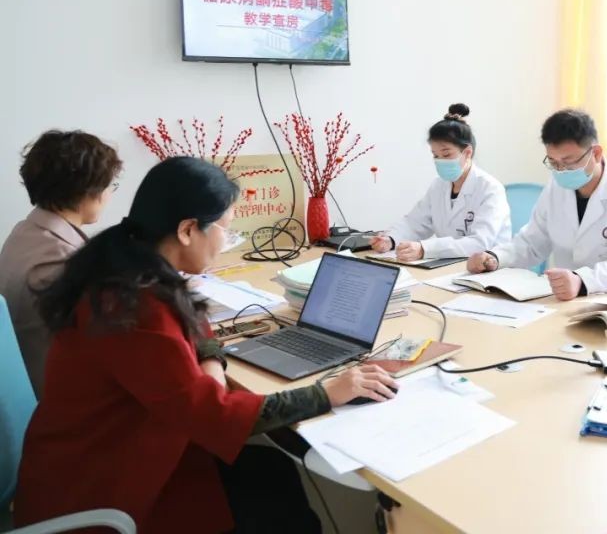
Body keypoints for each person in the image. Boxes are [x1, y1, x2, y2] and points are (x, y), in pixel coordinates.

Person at [15, 157, 397, 534]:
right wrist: (327, 392)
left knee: (273, 473)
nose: (225, 243)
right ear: (187, 230)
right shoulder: (131, 307)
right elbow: (215, 416)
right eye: (225, 231)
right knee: (272, 494)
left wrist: (212, 365)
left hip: (123, 450)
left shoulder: (131, 265)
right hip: (102, 492)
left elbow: (195, 324)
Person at [466, 108, 607, 300]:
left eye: (568, 162)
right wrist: (495, 258)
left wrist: (581, 280)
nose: (561, 171)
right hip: (565, 300)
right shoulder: (556, 188)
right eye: (553, 162)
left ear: (596, 153)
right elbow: (532, 243)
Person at [0, 130, 122, 396]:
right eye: (109, 186)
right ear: (88, 191)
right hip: (58, 395)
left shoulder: (24, 232)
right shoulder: (63, 260)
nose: (109, 196)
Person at [371, 104, 510, 261]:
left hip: (489, 268)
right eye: (435, 155)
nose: (440, 161)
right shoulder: (439, 186)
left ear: (467, 152)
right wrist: (391, 239)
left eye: (446, 154)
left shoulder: (490, 188)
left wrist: (425, 249)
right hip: (449, 265)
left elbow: (480, 243)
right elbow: (415, 222)